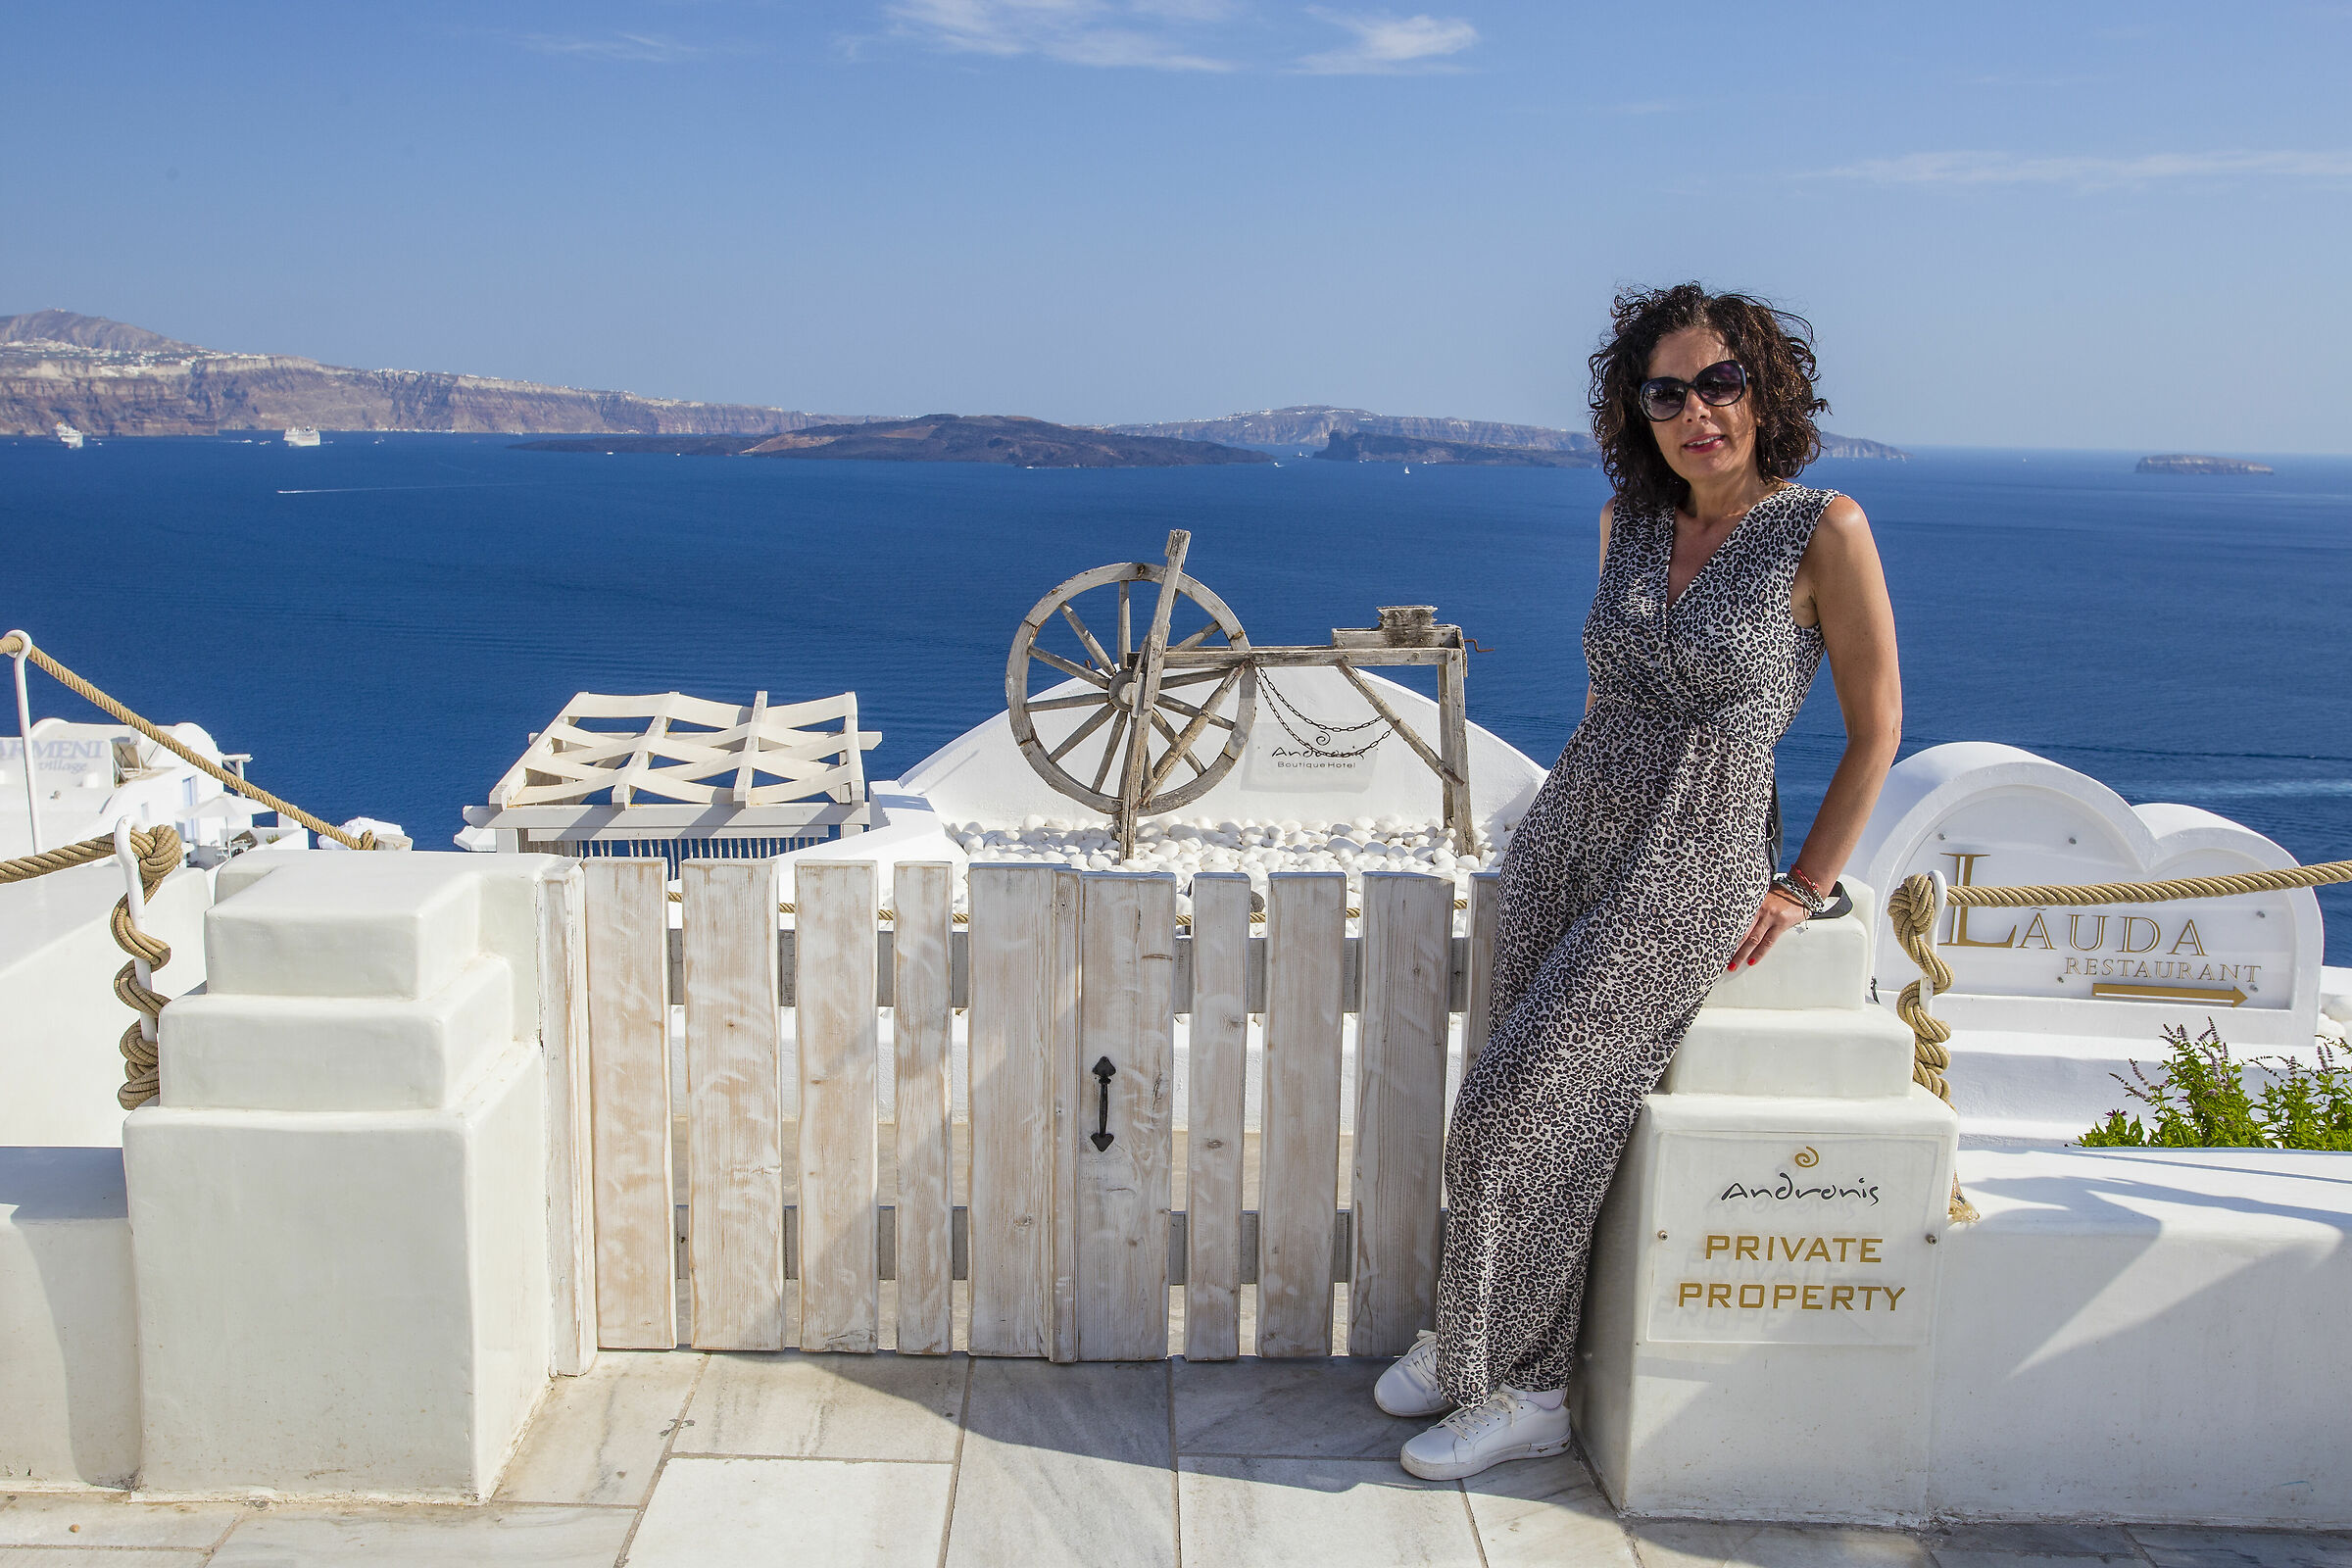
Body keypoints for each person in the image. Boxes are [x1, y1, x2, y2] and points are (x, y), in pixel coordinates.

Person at [1375, 282, 1903, 1480]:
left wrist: (1803, 882)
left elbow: (1878, 728)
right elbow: (1613, 686)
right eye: (1667, 392)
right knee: (1541, 1105)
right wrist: (1565, 798)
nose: (1697, 412)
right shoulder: (1628, 521)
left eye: (1721, 383)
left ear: (1766, 393)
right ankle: (1473, 1348)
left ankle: (1526, 1390)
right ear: (1639, 411)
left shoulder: (1825, 529)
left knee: (1513, 1101)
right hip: (1574, 826)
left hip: (1696, 846)